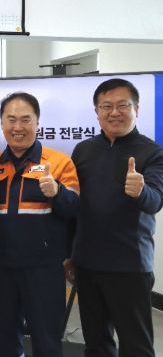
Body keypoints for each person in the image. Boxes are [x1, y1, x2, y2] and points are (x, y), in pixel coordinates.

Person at [67, 78, 163, 357]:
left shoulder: (153, 152)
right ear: (97, 112)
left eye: (123, 105)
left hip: (130, 265)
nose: (114, 112)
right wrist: (70, 254)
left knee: (136, 346)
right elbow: (75, 206)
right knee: (96, 344)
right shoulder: (83, 150)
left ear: (137, 109)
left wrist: (141, 191)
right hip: (87, 263)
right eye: (106, 106)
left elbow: (155, 201)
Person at [0, 92, 79, 357]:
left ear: (37, 122)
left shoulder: (59, 162)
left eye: (26, 119)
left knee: (46, 338)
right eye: (11, 119)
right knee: (4, 339)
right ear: (1, 123)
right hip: (2, 266)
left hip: (45, 267)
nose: (18, 127)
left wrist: (57, 192)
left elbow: (75, 209)